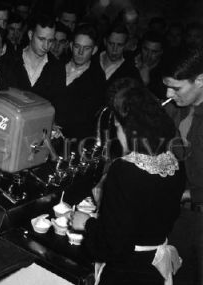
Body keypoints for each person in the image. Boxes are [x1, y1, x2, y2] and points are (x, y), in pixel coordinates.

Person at [71, 86, 184, 285]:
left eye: (117, 127)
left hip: (127, 272)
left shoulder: (124, 170)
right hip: (153, 270)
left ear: (129, 128)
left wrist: (86, 223)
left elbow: (111, 246)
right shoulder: (173, 162)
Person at [163, 47, 203, 208]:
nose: (168, 94)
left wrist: (187, 195)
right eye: (166, 86)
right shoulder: (171, 110)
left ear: (200, 80)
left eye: (176, 88)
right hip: (177, 212)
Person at [53, 23, 106, 141]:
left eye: (86, 48)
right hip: (44, 129)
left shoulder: (97, 78)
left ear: (94, 50)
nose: (80, 52)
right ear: (71, 46)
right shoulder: (56, 66)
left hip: (73, 142)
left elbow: (86, 116)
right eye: (77, 46)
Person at [13, 14, 65, 102]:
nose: (46, 46)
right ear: (30, 35)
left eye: (50, 41)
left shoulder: (57, 68)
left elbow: (57, 105)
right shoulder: (11, 60)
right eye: (41, 39)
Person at [99, 23, 141, 88]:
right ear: (105, 41)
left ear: (125, 45)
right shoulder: (91, 61)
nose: (114, 50)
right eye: (111, 44)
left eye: (119, 45)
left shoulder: (131, 70)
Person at [134, 31, 166, 99]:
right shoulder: (130, 62)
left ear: (161, 52)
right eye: (145, 49)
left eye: (154, 52)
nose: (148, 55)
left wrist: (146, 83)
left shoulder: (165, 72)